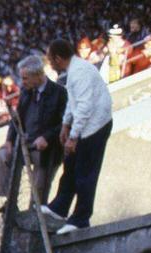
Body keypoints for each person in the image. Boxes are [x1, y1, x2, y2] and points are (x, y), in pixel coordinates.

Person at [43, 38, 113, 233]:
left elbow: (84, 107)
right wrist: (65, 124)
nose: (49, 63)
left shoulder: (79, 73)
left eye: (50, 59)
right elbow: (72, 102)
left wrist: (73, 137)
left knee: (85, 173)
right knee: (71, 166)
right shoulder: (74, 71)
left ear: (58, 58)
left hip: (95, 127)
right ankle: (60, 207)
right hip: (88, 124)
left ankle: (81, 218)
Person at [0, 55, 66, 205]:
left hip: (48, 149)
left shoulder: (59, 93)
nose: (22, 82)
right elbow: (16, 119)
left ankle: (35, 213)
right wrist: (9, 140)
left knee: (38, 189)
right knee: (1, 155)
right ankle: (9, 200)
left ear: (38, 75)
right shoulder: (26, 91)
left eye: (25, 78)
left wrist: (47, 137)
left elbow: (66, 123)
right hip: (26, 143)